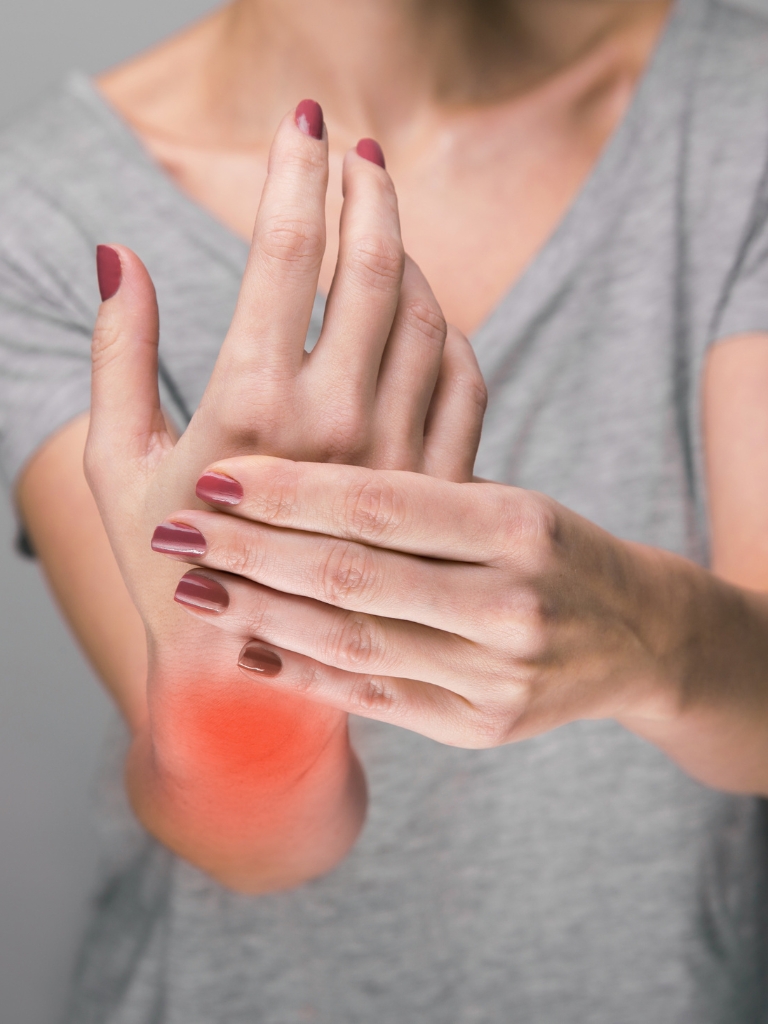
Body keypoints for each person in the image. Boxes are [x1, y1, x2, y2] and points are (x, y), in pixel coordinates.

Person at [1, 0, 768, 1019]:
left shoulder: (733, 102)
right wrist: (240, 696)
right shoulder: (41, 211)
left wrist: (646, 634)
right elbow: (260, 850)